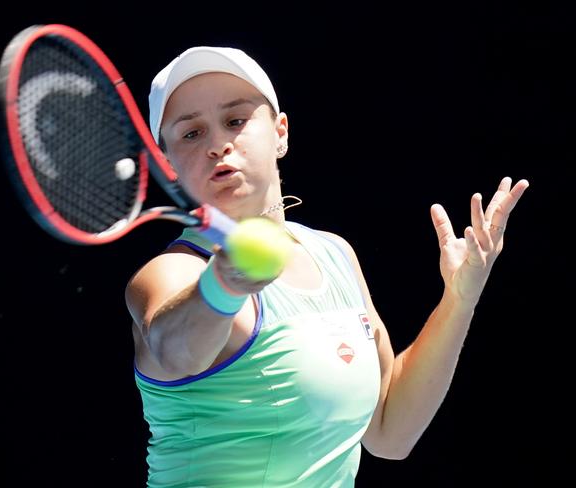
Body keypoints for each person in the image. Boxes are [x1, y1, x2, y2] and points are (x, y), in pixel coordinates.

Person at [125, 46, 529, 487]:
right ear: (167, 162)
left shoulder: (334, 253)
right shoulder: (171, 272)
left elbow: (390, 433)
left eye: (236, 121)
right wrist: (225, 282)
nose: (217, 144)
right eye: (191, 134)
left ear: (281, 133)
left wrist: (459, 300)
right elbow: (174, 350)